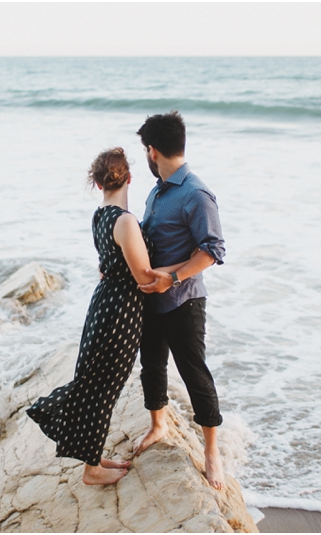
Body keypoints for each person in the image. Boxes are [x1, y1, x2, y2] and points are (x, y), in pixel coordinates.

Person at [26, 147, 191, 485]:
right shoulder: (125, 220)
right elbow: (144, 278)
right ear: (129, 178)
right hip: (120, 312)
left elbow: (109, 266)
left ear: (99, 184)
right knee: (102, 388)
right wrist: (187, 265)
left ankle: (91, 456)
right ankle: (91, 470)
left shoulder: (99, 217)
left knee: (97, 383)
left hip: (104, 305)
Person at [132, 111, 227, 490]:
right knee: (151, 366)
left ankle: (211, 452)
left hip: (184, 301)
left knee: (194, 374)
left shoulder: (195, 194)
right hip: (151, 302)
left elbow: (213, 251)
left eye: (145, 151)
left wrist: (171, 277)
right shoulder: (157, 191)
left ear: (152, 151)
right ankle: (158, 425)